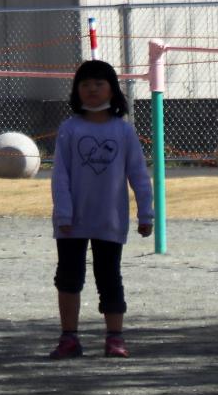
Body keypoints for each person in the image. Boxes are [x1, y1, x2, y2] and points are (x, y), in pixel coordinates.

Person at [48, 58, 152, 359]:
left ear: (112, 90)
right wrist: (64, 213)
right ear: (76, 90)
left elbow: (139, 175)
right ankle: (69, 337)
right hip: (71, 222)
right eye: (85, 84)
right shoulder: (69, 129)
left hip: (110, 219)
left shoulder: (124, 131)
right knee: (68, 277)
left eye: (98, 83)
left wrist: (146, 214)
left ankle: (115, 338)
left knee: (109, 276)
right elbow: (60, 176)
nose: (91, 89)